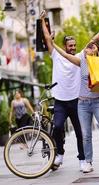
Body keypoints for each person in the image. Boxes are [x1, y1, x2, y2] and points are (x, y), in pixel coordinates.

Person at [44, 19, 99, 172]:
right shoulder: (80, 61)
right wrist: (53, 42)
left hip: (98, 102)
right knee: (85, 135)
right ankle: (88, 162)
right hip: (82, 104)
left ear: (95, 51)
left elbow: (94, 39)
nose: (87, 47)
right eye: (87, 47)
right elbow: (65, 55)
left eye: (91, 47)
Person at [40, 10, 85, 170]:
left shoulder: (79, 57)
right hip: (60, 100)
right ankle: (59, 154)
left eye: (74, 45)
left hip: (76, 100)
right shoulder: (56, 56)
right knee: (57, 127)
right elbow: (47, 38)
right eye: (70, 46)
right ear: (65, 46)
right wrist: (43, 20)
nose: (73, 47)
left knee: (80, 132)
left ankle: (82, 159)